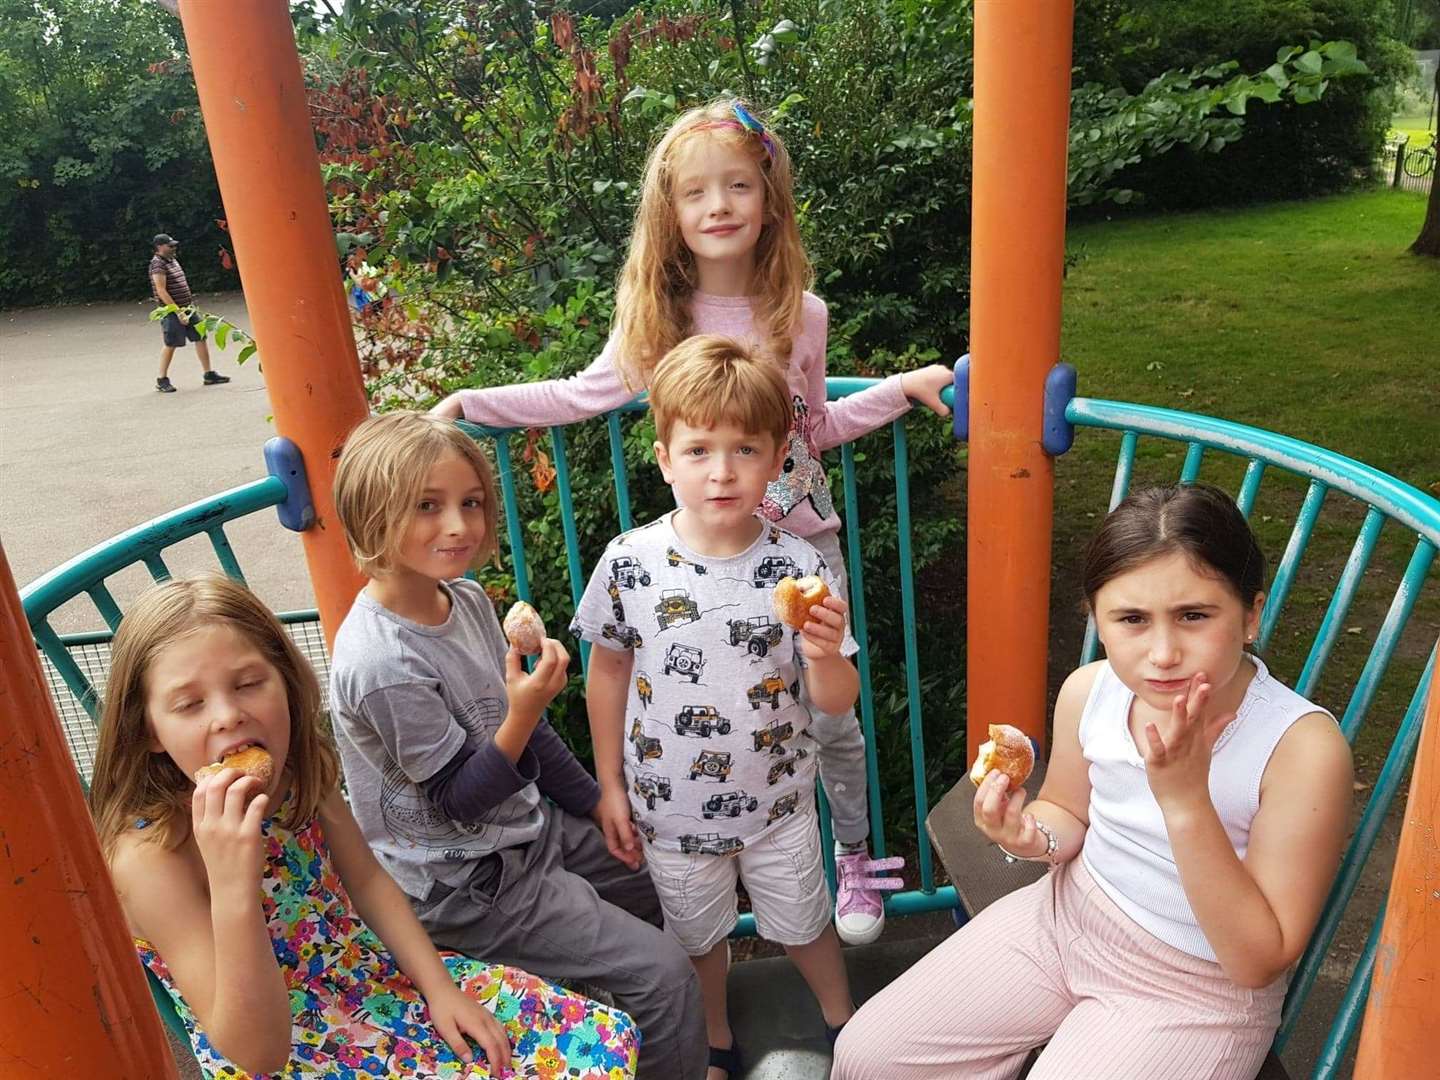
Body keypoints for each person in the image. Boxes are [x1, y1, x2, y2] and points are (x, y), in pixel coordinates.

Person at [431, 97, 949, 945]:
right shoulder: (659, 321)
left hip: (803, 550)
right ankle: (725, 846)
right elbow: (579, 394)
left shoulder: (801, 313)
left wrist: (900, 388)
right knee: (726, 701)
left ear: (768, 199)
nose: (719, 206)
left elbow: (810, 428)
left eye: (739, 185)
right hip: (709, 560)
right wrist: (470, 403)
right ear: (669, 214)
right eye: (697, 193)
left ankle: (852, 853)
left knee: (831, 714)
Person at [830, 483, 1354, 1080]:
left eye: (1194, 616)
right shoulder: (1092, 691)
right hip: (1065, 919)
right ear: (1097, 619)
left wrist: (1185, 802)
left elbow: (1257, 960)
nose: (1162, 654)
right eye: (1132, 619)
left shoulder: (1300, 750)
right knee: (869, 1056)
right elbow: (1067, 811)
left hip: (1197, 988)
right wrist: (1029, 836)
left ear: (1251, 615)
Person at [88, 574, 638, 1078]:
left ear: (285, 680)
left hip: (372, 981)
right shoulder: (151, 858)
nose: (227, 715)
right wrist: (233, 887)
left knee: (588, 1039)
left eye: (249, 683)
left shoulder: (297, 774)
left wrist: (440, 988)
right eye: (188, 704)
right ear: (149, 731)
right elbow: (255, 1053)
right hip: (287, 1048)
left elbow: (369, 880)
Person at [328, 411, 708, 1080]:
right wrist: (525, 711)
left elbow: (531, 737)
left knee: (668, 880)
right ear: (371, 513)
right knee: (666, 978)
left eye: (470, 503)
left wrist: (596, 806)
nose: (459, 525)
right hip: (468, 882)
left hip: (528, 834)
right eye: (427, 506)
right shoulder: (381, 662)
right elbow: (461, 801)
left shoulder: (466, 599)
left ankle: (623, 1043)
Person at [573, 335, 877, 1080]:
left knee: (807, 922)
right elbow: (607, 673)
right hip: (667, 808)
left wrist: (825, 654)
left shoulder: (798, 565)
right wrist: (609, 784)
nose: (722, 470)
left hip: (779, 804)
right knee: (697, 939)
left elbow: (836, 701)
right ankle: (712, 1038)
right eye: (700, 449)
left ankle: (849, 1025)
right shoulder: (630, 563)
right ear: (665, 458)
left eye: (745, 449)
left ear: (779, 460)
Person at [148, 233, 229, 393]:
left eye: (173, 245)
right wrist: (178, 312)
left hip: (188, 307)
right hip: (172, 310)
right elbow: (161, 290)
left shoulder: (172, 259)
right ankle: (162, 379)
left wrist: (187, 308)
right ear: (159, 247)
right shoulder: (157, 264)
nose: (173, 247)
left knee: (201, 337)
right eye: (169, 246)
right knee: (171, 343)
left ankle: (208, 374)